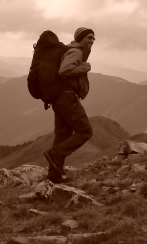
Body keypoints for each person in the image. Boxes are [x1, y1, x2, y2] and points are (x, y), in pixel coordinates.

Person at [43, 27, 95, 183]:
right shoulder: (76, 52)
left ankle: (54, 175)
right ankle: (56, 154)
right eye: (89, 37)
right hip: (66, 98)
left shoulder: (72, 50)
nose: (92, 41)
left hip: (59, 99)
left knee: (63, 135)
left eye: (93, 38)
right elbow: (65, 70)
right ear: (80, 39)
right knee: (85, 131)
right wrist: (85, 67)